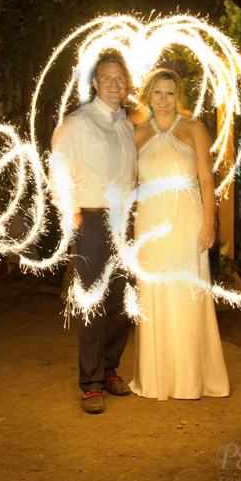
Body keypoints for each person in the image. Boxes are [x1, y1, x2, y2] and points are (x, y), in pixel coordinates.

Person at [129, 68, 230, 400]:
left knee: (187, 296)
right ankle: (156, 379)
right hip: (150, 224)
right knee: (154, 295)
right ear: (148, 96)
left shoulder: (194, 129)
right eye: (158, 92)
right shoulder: (136, 134)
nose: (163, 100)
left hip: (187, 221)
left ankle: (191, 379)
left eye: (170, 93)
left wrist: (210, 224)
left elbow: (206, 180)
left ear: (179, 96)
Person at [50, 52, 137, 414]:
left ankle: (110, 367)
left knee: (121, 300)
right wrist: (72, 214)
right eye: (108, 78)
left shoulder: (125, 123)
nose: (114, 84)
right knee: (92, 302)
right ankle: (90, 383)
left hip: (125, 220)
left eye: (120, 78)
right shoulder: (78, 122)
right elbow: (58, 168)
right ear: (96, 84)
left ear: (127, 84)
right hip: (92, 220)